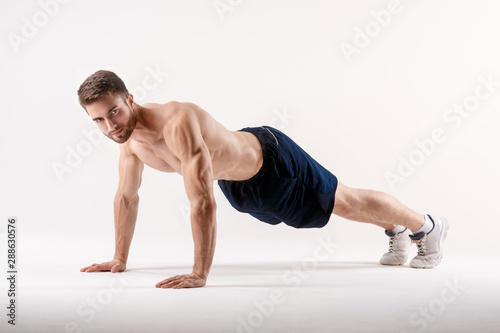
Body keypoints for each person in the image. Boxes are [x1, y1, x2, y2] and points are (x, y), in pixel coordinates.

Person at [78, 70, 449, 289]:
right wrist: (118, 258)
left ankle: (426, 227)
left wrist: (199, 273)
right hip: (240, 187)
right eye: (98, 120)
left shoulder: (176, 122)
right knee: (327, 209)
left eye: (114, 111)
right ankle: (395, 231)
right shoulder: (128, 143)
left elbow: (202, 201)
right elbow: (126, 198)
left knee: (343, 201)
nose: (110, 126)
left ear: (129, 98)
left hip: (271, 161)